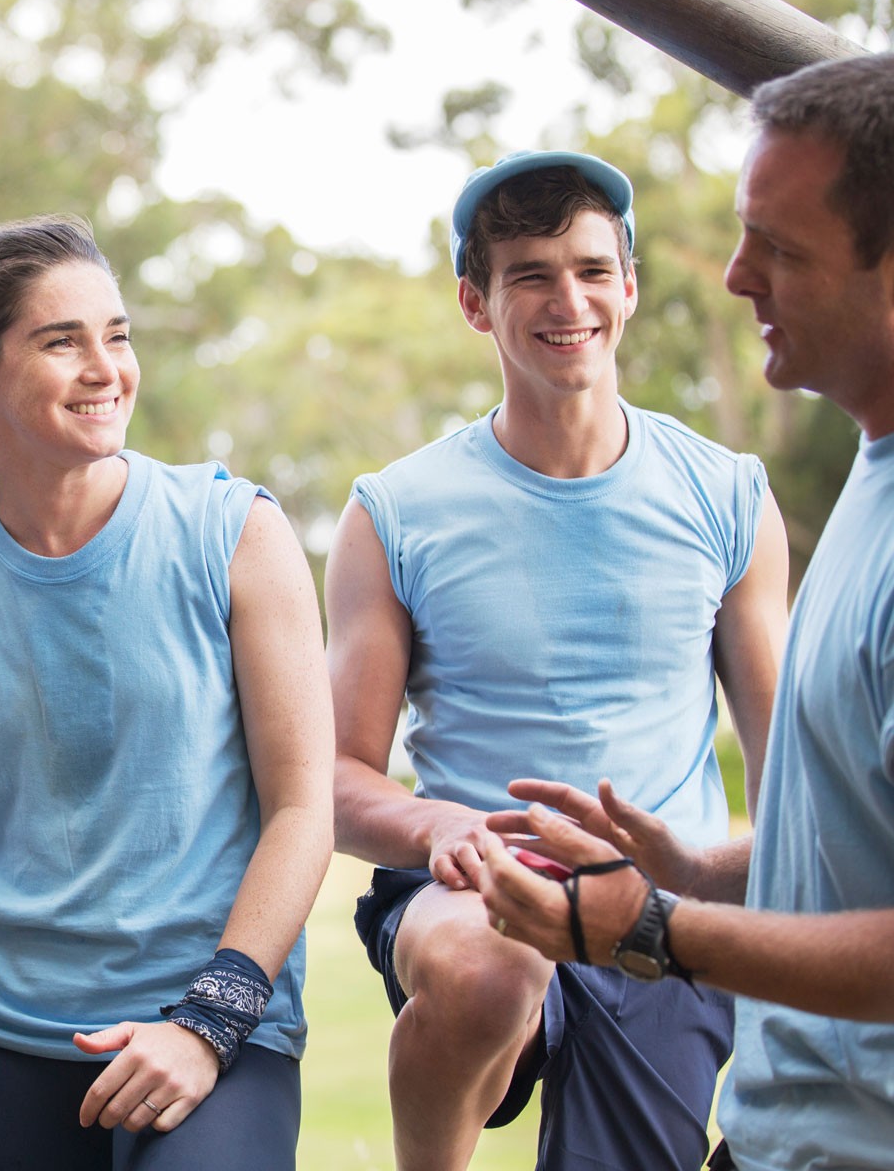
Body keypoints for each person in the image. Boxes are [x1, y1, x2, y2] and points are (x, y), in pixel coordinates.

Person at [0, 216, 333, 1170]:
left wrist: (210, 1023)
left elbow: (302, 810)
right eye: (61, 341)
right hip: (5, 1042)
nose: (105, 367)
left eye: (116, 335)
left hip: (210, 1031)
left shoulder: (233, 533)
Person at [325, 150, 790, 1171]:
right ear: (475, 304)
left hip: (660, 909)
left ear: (628, 286)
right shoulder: (392, 513)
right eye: (529, 274)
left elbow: (786, 770)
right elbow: (336, 782)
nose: (565, 298)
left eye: (589, 269)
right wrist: (436, 823)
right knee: (491, 972)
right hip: (469, 888)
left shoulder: (728, 498)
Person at [474, 52, 894, 1171]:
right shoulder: (870, 471)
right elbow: (858, 837)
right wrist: (697, 868)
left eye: (781, 248)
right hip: (770, 1139)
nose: (736, 277)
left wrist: (655, 930)